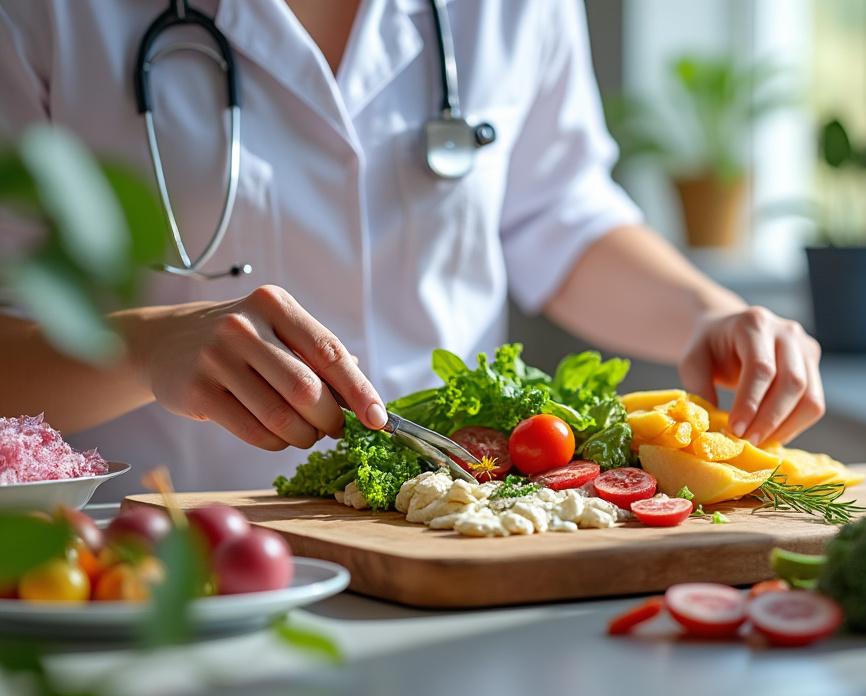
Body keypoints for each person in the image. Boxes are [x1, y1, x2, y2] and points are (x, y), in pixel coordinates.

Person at [0, 0, 823, 499]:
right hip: (166, 553)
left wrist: (708, 316)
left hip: (452, 538)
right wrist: (146, 345)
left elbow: (559, 214)